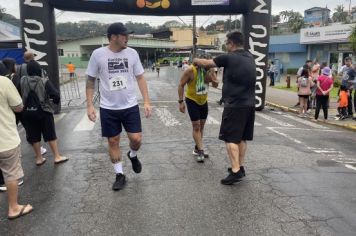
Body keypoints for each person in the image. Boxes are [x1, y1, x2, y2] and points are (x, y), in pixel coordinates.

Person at [86, 22, 152, 191]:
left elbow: (140, 78)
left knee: (136, 139)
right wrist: (90, 106)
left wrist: (146, 101)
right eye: (124, 35)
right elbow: (90, 81)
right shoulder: (98, 54)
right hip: (108, 108)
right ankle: (119, 174)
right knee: (113, 141)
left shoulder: (132, 53)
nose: (127, 38)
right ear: (113, 37)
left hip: (129, 106)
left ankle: (133, 155)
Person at [193, 31, 256, 185]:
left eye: (227, 43)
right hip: (249, 105)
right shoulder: (250, 57)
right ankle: (240, 166)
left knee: (230, 139)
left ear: (231, 43)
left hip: (235, 105)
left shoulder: (228, 57)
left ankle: (235, 171)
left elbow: (207, 63)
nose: (226, 46)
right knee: (242, 138)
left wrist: (195, 59)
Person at [0, 61, 34, 220]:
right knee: (10, 173)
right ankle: (13, 208)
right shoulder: (4, 82)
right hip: (4, 139)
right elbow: (19, 106)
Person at [20, 60, 68, 166]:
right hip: (44, 112)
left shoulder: (23, 80)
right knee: (50, 134)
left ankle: (39, 158)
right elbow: (56, 96)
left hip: (28, 113)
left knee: (34, 136)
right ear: (38, 70)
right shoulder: (44, 81)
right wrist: (53, 101)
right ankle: (57, 156)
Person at [178, 58, 218, 162]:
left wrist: (212, 76)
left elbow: (216, 85)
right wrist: (181, 102)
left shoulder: (210, 70)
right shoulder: (190, 70)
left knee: (201, 127)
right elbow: (181, 84)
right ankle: (201, 150)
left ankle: (197, 148)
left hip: (203, 101)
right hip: (192, 100)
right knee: (196, 126)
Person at [16, 52, 48, 156]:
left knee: (28, 127)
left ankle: (27, 147)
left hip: (24, 101)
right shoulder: (35, 66)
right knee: (40, 128)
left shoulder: (20, 68)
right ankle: (39, 148)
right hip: (37, 100)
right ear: (33, 57)